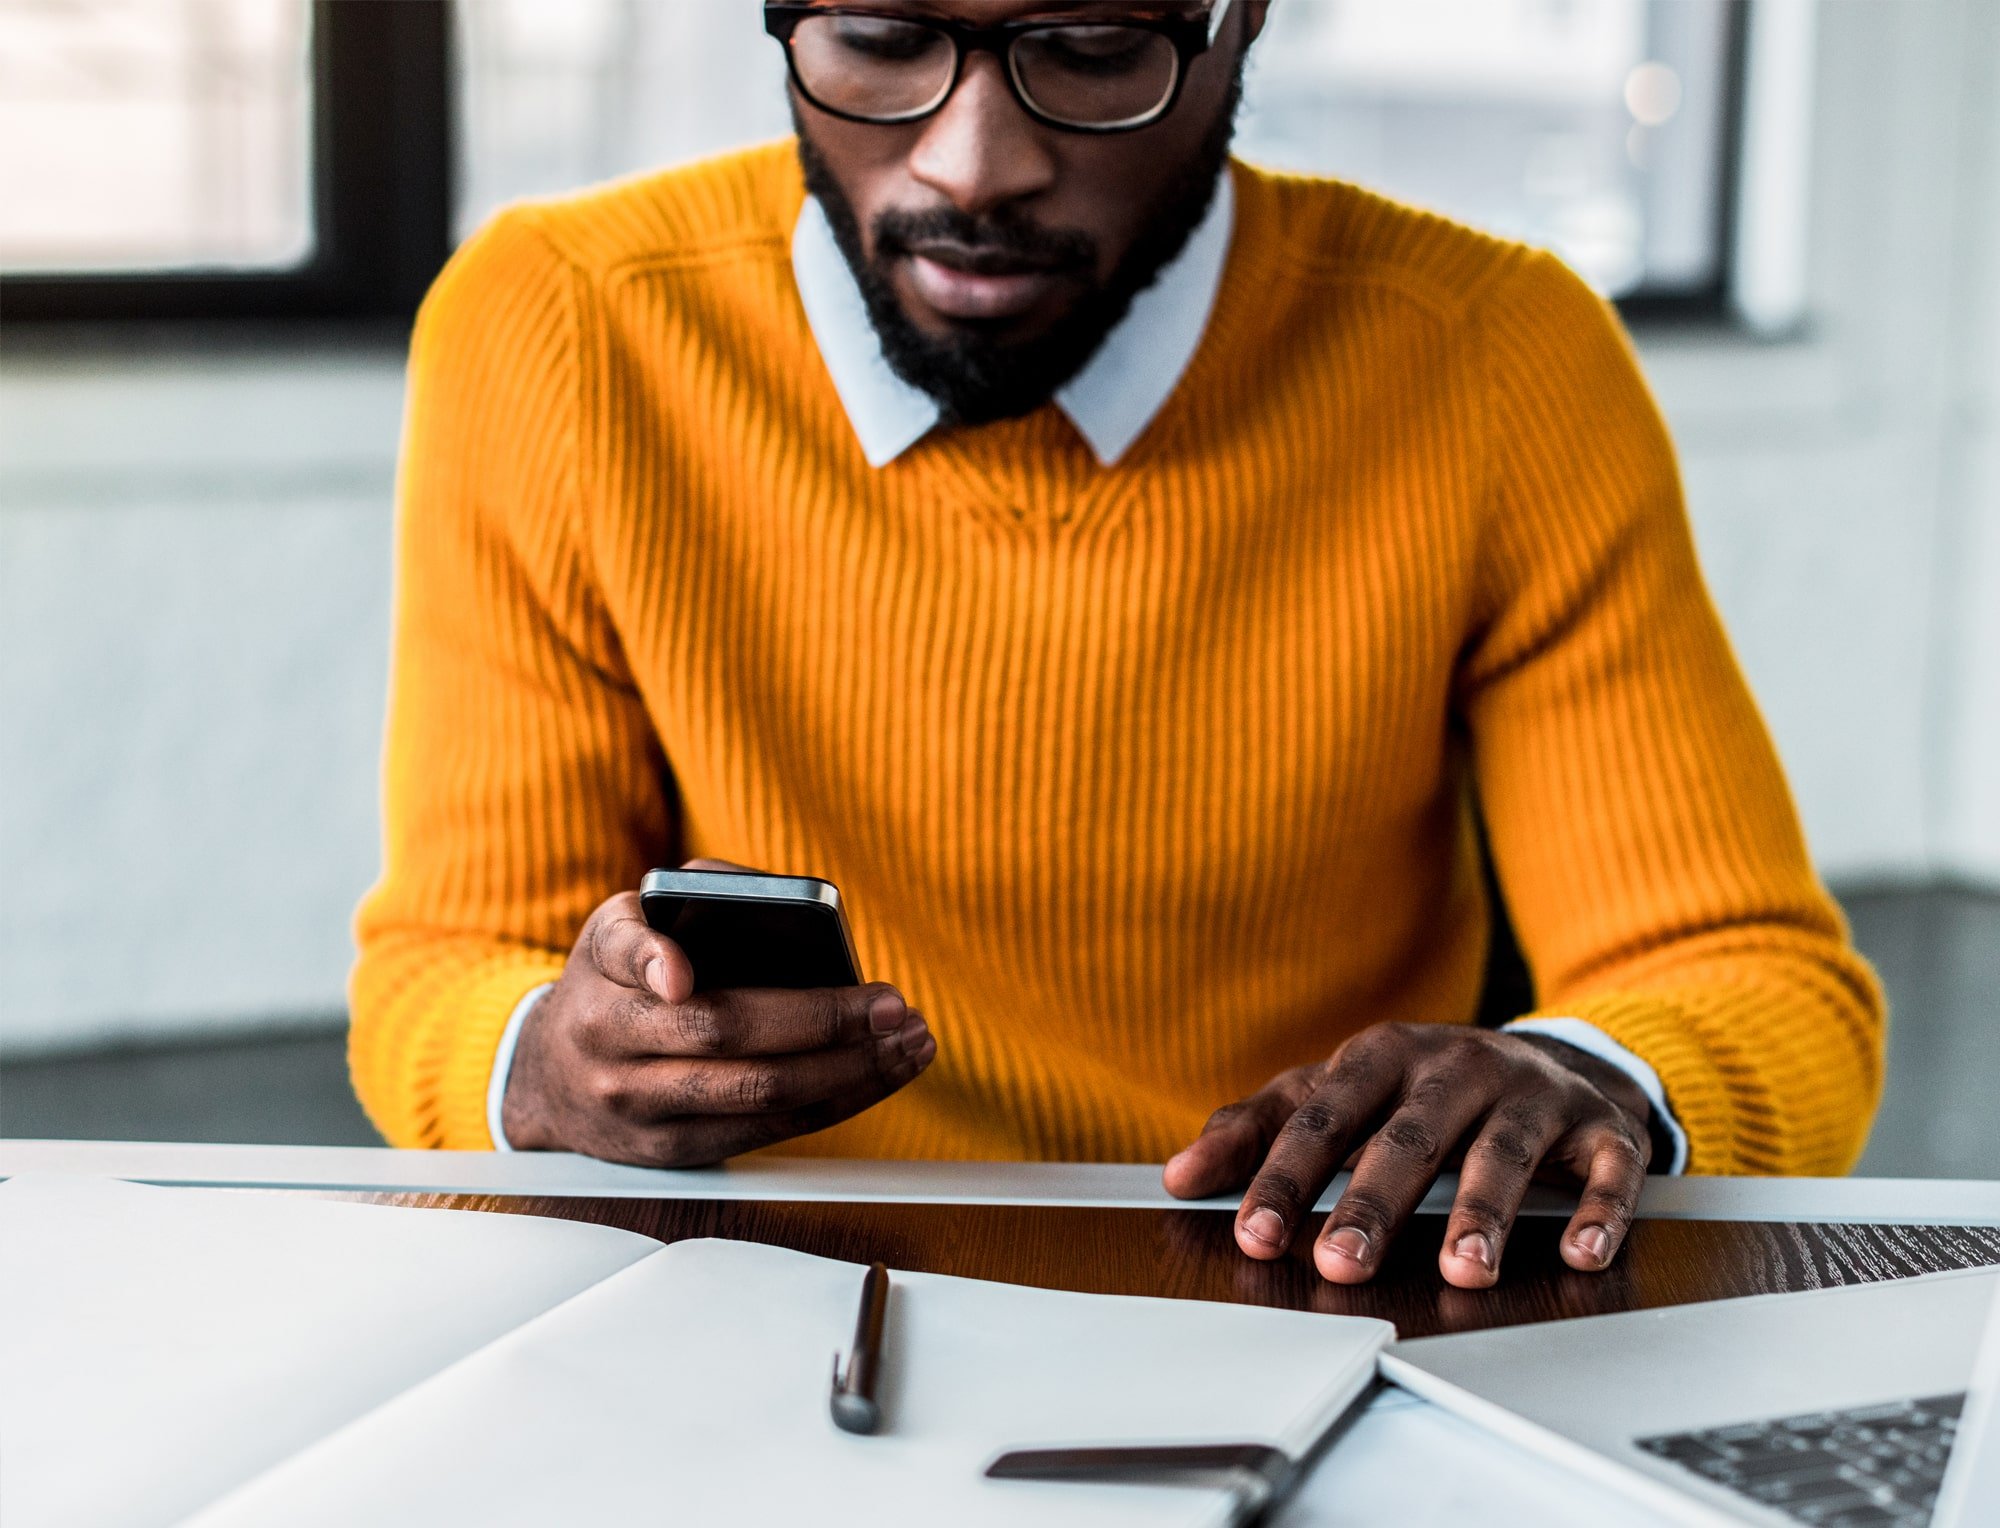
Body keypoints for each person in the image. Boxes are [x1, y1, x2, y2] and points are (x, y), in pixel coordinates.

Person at [351, 0, 1885, 1291]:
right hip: (752, 1299)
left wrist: (1595, 1075)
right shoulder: (556, 329)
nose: (973, 164)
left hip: (1304, 1295)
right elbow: (441, 967)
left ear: (1244, 21)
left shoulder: (1496, 359)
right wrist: (548, 1059)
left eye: (1090, 50)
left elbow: (1753, 978)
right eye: (879, 39)